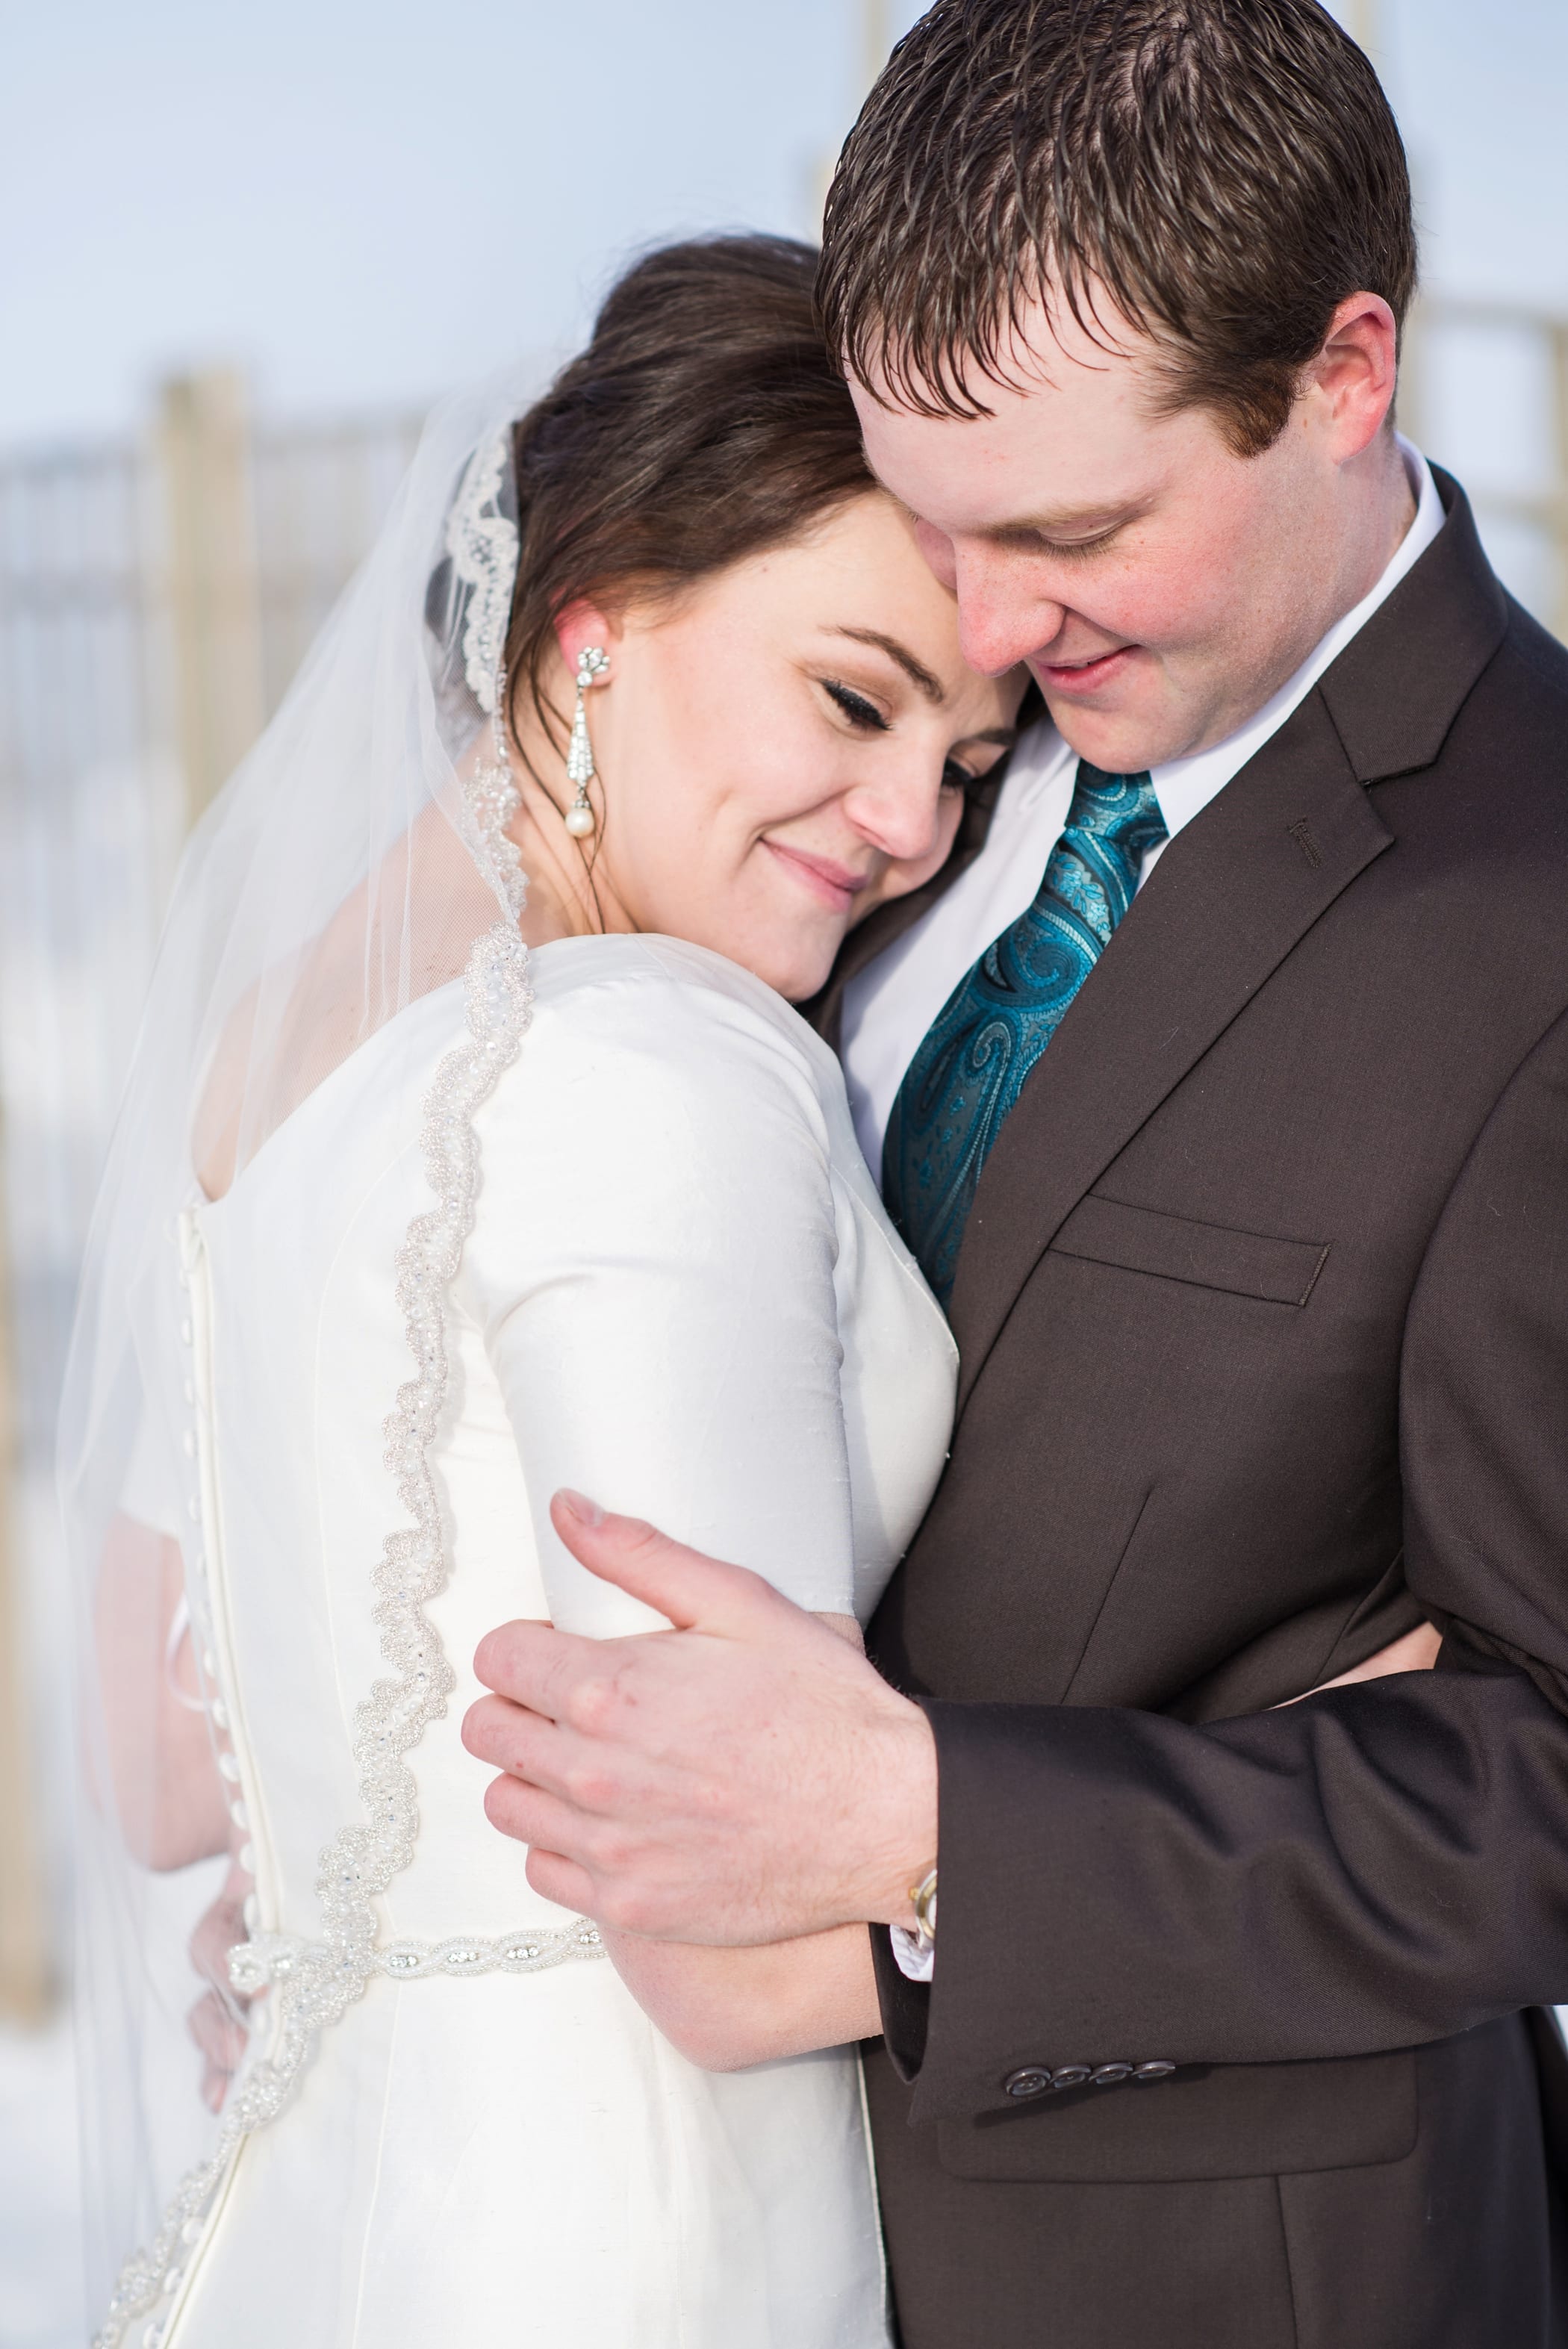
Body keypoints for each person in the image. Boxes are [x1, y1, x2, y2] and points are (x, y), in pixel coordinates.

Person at [462, 6, 1568, 2345]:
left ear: (1343, 375)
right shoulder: (878, 799)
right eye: (934, 524)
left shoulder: (1537, 901)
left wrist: (928, 1839)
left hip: (1228, 2270)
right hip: (698, 2233)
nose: (978, 632)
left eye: (1066, 533)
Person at [67, 234, 1026, 2349]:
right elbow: (724, 1894)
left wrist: (379, 1881)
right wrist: (1226, 1774)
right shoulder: (654, 1057)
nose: (905, 822)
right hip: (649, 2240)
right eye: (853, 697)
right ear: (592, 627)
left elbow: (151, 1760)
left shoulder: (271, 1055)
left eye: (968, 764)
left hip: (343, 2214)